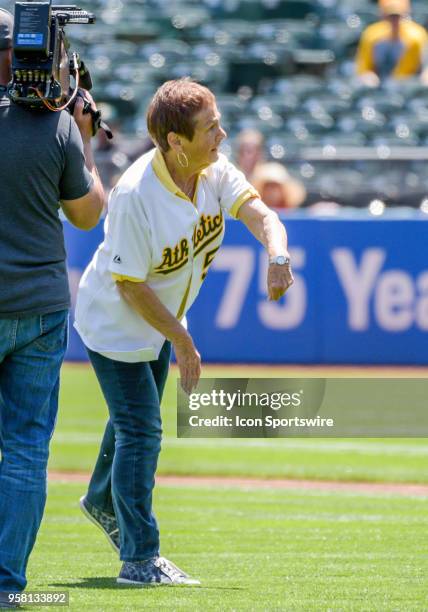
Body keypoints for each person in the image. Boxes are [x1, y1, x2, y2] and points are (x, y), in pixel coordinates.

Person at [75, 78, 294, 586]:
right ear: (175, 141)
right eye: (209, 128)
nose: (221, 135)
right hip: (115, 325)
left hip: (161, 321)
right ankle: (139, 558)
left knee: (134, 420)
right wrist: (182, 338)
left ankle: (100, 498)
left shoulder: (212, 170)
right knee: (141, 431)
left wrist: (277, 254)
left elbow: (261, 214)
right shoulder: (135, 194)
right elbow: (129, 286)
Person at [0, 8, 104, 605]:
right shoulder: (56, 129)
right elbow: (89, 214)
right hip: (38, 308)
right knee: (26, 449)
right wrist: (83, 137)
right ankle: (8, 585)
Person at [356, 0, 428, 86]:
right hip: (380, 83)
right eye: (391, 16)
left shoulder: (417, 36)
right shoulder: (371, 36)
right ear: (383, 16)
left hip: (409, 83)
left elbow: (425, 66)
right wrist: (368, 76)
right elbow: (363, 68)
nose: (394, 21)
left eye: (397, 16)